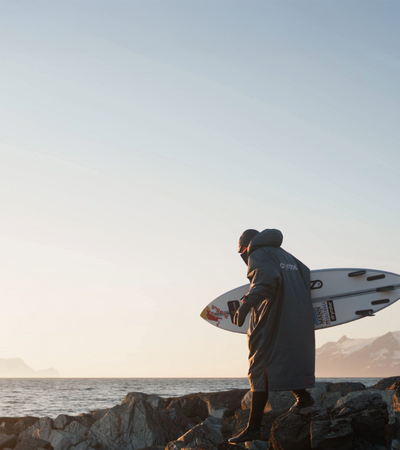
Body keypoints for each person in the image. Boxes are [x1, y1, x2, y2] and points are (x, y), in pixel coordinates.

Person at [229, 228, 315, 444]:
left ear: (247, 248)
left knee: (260, 367)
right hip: (297, 318)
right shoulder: (288, 257)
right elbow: (306, 274)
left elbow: (266, 281)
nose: (244, 258)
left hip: (273, 319)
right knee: (284, 360)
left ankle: (253, 429)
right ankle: (303, 398)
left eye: (243, 254)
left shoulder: (258, 254)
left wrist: (245, 305)